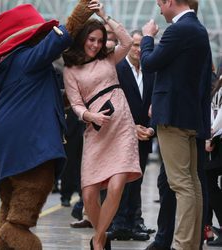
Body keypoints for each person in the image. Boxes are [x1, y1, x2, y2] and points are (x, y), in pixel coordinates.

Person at [0, 1, 96, 249]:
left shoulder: (11, 66)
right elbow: (59, 40)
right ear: (28, 37)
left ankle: (3, 237)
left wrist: (76, 99)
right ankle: (13, 235)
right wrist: (81, 12)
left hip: (4, 147)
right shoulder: (26, 58)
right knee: (22, 213)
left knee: (10, 206)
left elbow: (43, 97)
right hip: (27, 146)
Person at [63, 2, 142, 249]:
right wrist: (90, 116)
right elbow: (75, 104)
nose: (96, 45)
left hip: (121, 125)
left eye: (100, 40)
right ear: (83, 39)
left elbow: (127, 42)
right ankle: (102, 235)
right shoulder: (71, 68)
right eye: (92, 40)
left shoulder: (109, 58)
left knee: (117, 185)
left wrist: (104, 16)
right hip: (96, 128)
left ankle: (98, 241)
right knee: (89, 194)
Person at [140, 0, 212, 249]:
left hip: (173, 118)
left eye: (160, 3)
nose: (159, 8)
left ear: (170, 1)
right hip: (189, 116)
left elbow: (149, 63)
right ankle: (190, 244)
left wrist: (147, 38)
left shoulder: (179, 29)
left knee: (181, 184)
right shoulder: (198, 29)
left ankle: (182, 244)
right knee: (192, 183)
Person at [107, 30, 155, 241]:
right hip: (121, 134)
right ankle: (119, 223)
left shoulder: (152, 71)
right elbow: (112, 102)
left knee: (138, 180)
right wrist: (130, 126)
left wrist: (151, 128)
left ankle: (135, 221)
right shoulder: (117, 69)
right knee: (121, 181)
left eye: (141, 45)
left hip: (145, 135)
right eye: (134, 45)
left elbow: (156, 102)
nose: (137, 49)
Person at [204, 74, 222, 247]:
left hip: (216, 138)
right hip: (216, 139)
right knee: (207, 181)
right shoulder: (216, 85)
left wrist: (210, 134)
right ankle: (206, 230)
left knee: (208, 180)